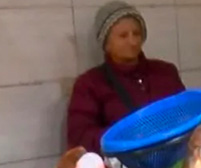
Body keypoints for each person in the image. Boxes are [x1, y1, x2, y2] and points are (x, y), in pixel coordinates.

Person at [66, 2, 185, 153]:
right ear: (106, 44)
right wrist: (126, 138)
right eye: (123, 36)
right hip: (122, 165)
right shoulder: (90, 84)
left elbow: (186, 113)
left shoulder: (166, 73)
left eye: (136, 33)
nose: (133, 41)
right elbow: (80, 137)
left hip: (173, 160)